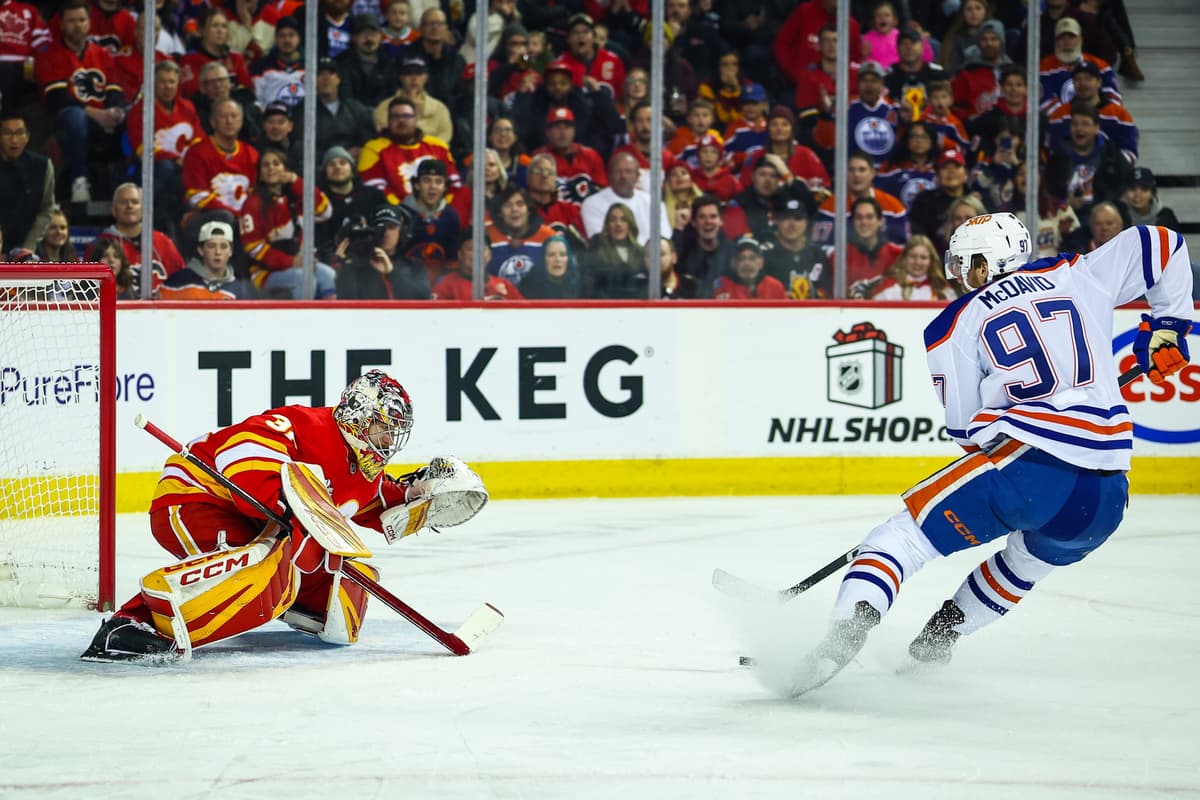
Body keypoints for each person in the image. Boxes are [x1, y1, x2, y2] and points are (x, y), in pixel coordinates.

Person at [767, 212, 1192, 698]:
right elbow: (1163, 243)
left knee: (903, 537)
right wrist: (1169, 327)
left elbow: (967, 429)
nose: (961, 275)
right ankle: (940, 637)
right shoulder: (1077, 272)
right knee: (1026, 564)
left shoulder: (954, 324)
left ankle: (843, 632)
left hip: (1028, 467)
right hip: (1108, 493)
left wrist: (1008, 484)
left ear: (988, 263)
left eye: (968, 263)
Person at [81, 370, 480, 661]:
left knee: (344, 593)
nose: (389, 439)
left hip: (249, 517)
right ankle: (132, 625)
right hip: (194, 497)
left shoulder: (363, 471)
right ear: (360, 415)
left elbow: (383, 506)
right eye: (383, 427)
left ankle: (295, 599)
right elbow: (239, 454)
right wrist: (283, 504)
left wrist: (420, 495)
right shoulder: (304, 424)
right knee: (268, 564)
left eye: (394, 431)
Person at [35, 0, 125, 205]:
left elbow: (114, 90)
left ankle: (126, 186)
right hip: (66, 123)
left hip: (102, 120)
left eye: (82, 20)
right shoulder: (49, 55)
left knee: (132, 118)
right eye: (71, 21)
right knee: (75, 117)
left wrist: (115, 111)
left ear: (89, 22)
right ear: (62, 24)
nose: (77, 25)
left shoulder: (103, 55)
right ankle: (79, 180)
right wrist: (97, 114)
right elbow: (57, 98)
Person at [241, 147, 336, 299]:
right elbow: (253, 247)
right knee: (305, 279)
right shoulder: (253, 203)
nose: (271, 168)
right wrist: (290, 261)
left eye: (276, 163)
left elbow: (325, 211)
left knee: (329, 275)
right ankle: (303, 321)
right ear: (260, 173)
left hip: (298, 263)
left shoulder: (295, 197)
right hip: (264, 272)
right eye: (265, 165)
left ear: (286, 169)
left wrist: (295, 180)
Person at [100, 183, 186, 296]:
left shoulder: (162, 241)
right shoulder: (101, 245)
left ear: (143, 209)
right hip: (120, 310)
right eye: (123, 202)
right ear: (113, 210)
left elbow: (181, 281)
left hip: (162, 311)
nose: (129, 206)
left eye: (135, 202)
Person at [580, 152, 670, 247]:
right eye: (618, 171)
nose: (623, 176)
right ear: (609, 175)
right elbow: (602, 243)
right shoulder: (592, 204)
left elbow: (664, 239)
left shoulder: (654, 203)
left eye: (628, 172)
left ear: (638, 176)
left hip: (653, 259)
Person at [159, 219, 257, 300]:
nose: (218, 252)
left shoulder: (239, 288)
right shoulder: (180, 281)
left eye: (223, 246)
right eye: (211, 246)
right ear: (201, 250)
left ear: (230, 251)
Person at [0, 112, 55, 251]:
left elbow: (46, 208)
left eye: (19, 133)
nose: (14, 140)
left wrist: (28, 247)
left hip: (28, 246)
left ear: (27, 137)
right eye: (7, 133)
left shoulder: (42, 166)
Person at [431, 227, 523, 301]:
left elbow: (523, 316)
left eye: (482, 249)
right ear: (460, 255)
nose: (477, 253)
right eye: (471, 249)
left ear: (490, 255)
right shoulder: (445, 286)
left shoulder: (505, 285)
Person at [581, 203, 648, 299]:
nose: (618, 224)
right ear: (607, 224)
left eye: (623, 220)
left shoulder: (640, 252)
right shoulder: (597, 247)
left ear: (630, 224)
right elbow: (589, 283)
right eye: (613, 220)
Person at [870, 234, 958, 301]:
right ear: (904, 258)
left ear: (931, 261)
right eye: (913, 256)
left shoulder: (943, 289)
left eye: (923, 257)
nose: (917, 262)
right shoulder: (889, 288)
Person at [713, 236, 786, 300]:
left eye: (752, 258)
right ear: (734, 263)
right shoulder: (723, 286)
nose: (746, 263)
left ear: (761, 263)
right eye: (741, 258)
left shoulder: (775, 287)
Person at [518, 234, 581, 300]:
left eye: (562, 255)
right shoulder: (529, 285)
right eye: (551, 255)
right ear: (543, 258)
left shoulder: (582, 285)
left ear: (569, 258)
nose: (557, 259)